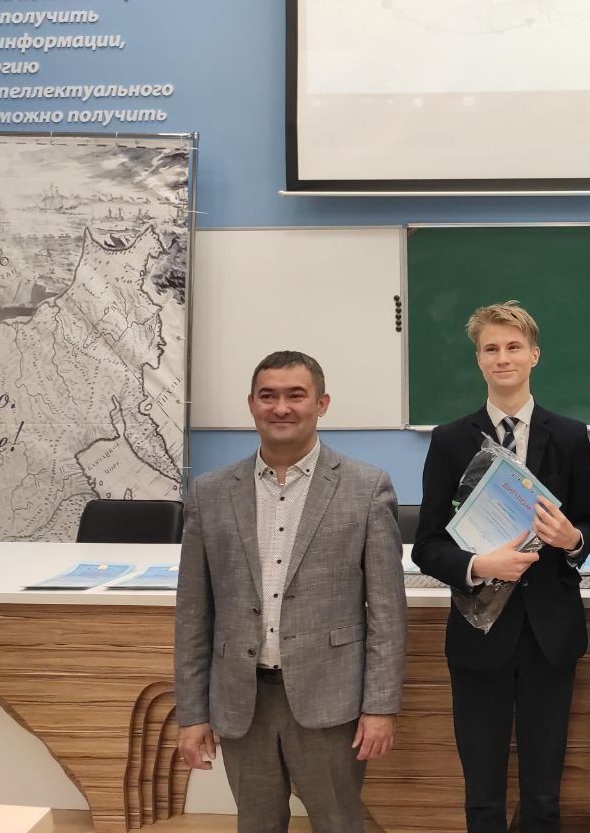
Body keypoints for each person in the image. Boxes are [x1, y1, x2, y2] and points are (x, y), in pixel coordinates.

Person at [174, 351, 407, 833]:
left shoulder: (366, 488)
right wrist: (192, 714)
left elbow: (387, 612)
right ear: (251, 404)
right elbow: (193, 614)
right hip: (242, 701)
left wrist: (380, 707)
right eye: (268, 396)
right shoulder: (210, 493)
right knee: (256, 824)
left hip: (331, 699)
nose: (281, 407)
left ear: (321, 404)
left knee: (339, 823)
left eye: (296, 395)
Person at [413, 301, 590, 833]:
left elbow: (588, 528)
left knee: (543, 793)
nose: (503, 357)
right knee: (483, 793)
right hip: (479, 634)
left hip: (549, 635)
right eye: (490, 348)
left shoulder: (570, 436)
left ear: (534, 354)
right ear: (478, 360)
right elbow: (427, 545)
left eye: (514, 347)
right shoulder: (450, 440)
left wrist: (573, 539)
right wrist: (478, 564)